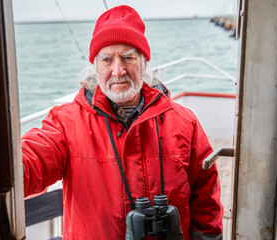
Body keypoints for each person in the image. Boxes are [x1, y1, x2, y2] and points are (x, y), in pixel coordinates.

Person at [22, 5, 223, 240]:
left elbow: (206, 196)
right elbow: (32, 159)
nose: (118, 70)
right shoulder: (65, 123)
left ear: (144, 63)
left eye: (128, 57)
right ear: (95, 67)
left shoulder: (184, 122)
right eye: (107, 59)